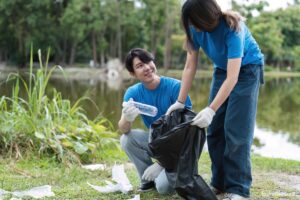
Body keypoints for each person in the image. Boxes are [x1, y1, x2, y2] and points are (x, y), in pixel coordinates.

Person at [166, 0, 264, 200]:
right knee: (214, 130)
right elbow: (189, 66)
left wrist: (210, 109)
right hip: (222, 70)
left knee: (236, 130)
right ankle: (219, 183)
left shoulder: (233, 27)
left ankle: (239, 189)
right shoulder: (195, 29)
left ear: (207, 15)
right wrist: (180, 101)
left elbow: (233, 77)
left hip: (247, 70)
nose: (192, 26)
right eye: (189, 22)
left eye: (194, 21)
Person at [118, 48, 192, 194]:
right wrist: (127, 118)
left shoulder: (175, 87)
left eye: (148, 61)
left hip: (181, 147)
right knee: (127, 139)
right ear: (132, 73)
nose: (146, 68)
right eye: (139, 66)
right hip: (157, 142)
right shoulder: (133, 93)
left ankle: (169, 171)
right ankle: (147, 180)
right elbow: (123, 129)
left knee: (164, 188)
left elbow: (189, 132)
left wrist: (160, 164)